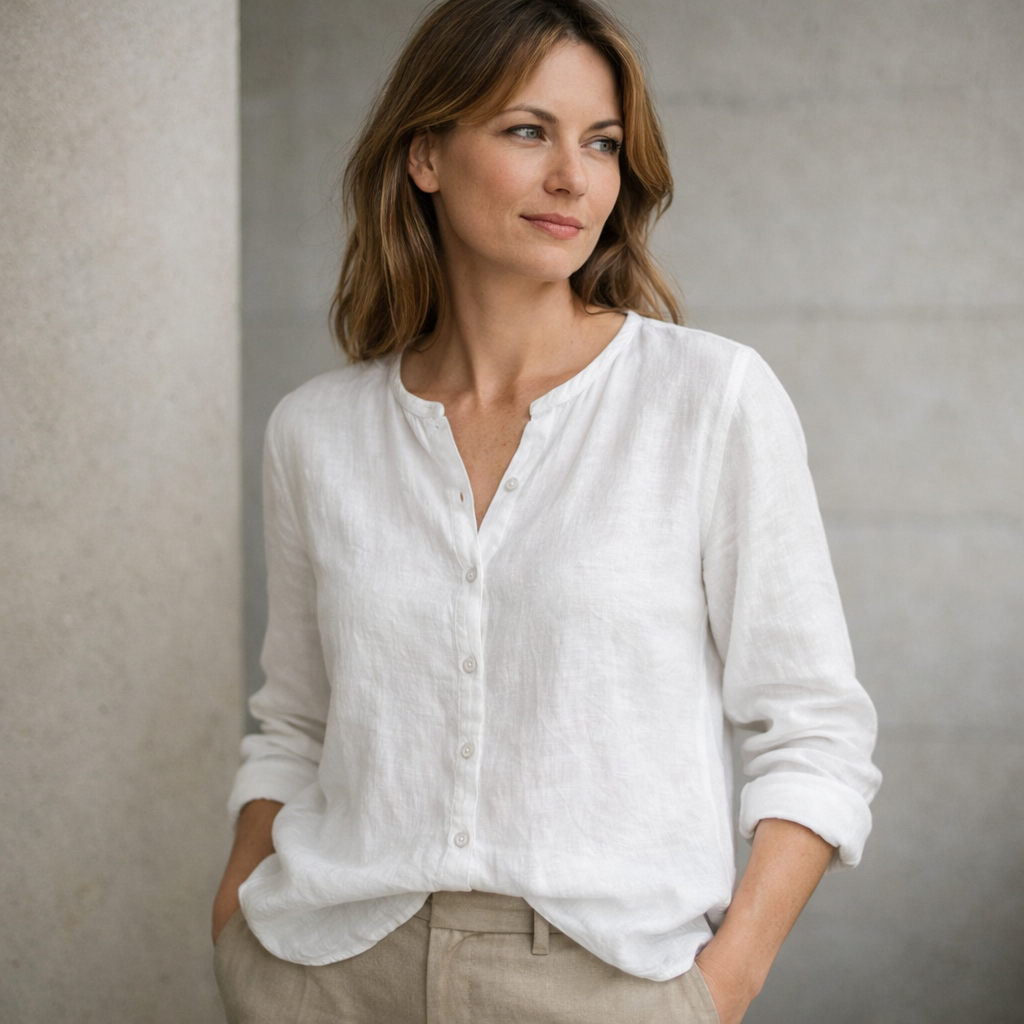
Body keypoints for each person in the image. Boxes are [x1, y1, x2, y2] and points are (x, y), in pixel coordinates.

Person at [212, 0, 882, 1021]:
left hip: (604, 982)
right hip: (324, 971)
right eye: (528, 131)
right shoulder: (316, 431)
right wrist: (237, 907)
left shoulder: (708, 400)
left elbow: (814, 731)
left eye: (601, 143)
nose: (574, 177)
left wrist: (720, 985)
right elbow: (296, 720)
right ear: (425, 154)